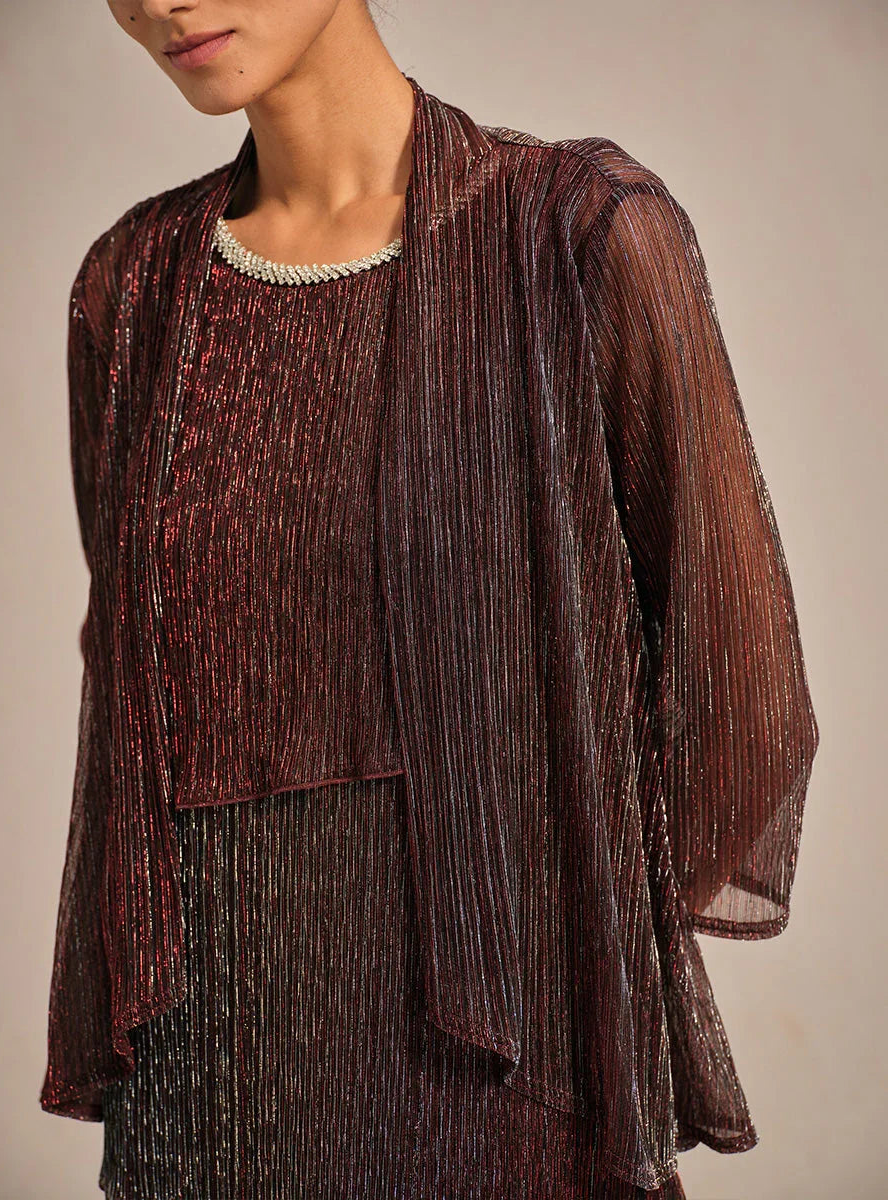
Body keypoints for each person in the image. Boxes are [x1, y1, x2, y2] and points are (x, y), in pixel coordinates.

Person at [40, 2, 820, 1197]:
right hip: (216, 1098)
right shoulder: (134, 290)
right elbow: (135, 720)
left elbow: (743, 686)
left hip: (507, 1090)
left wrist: (566, 936)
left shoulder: (575, 233)